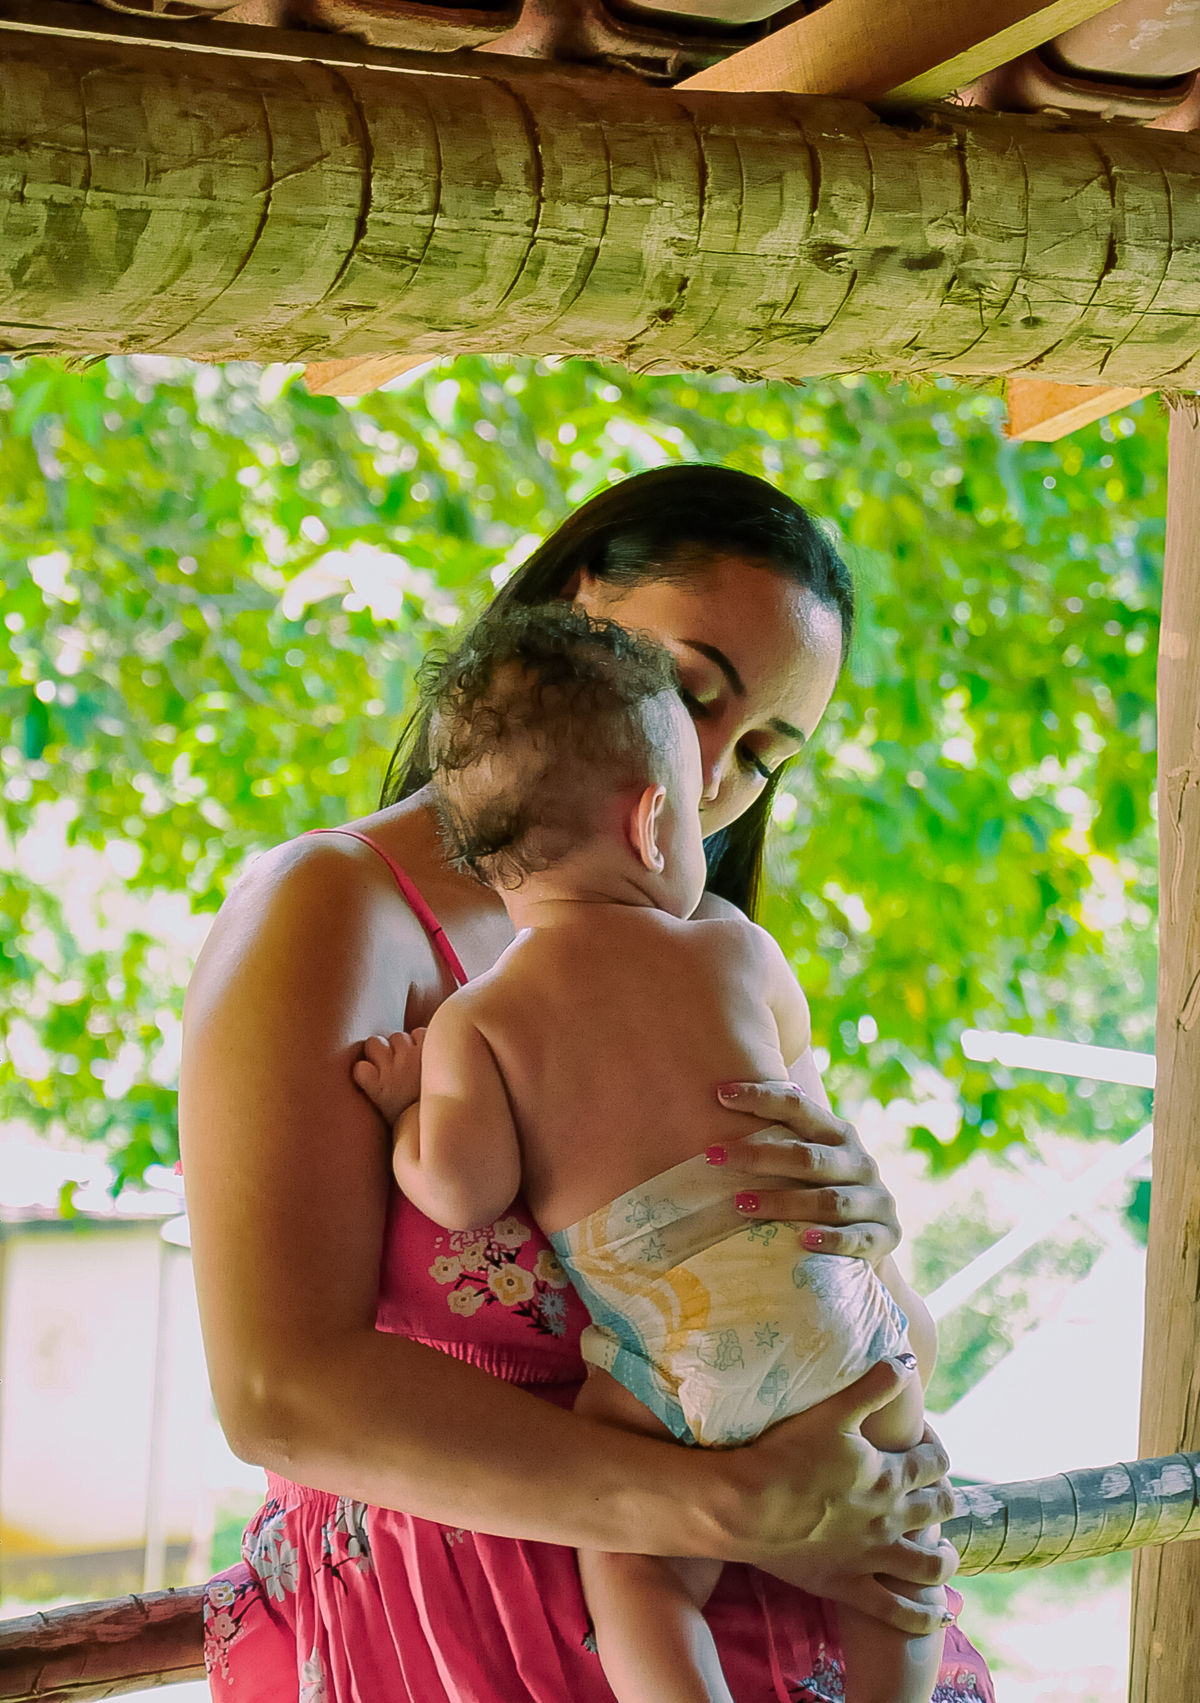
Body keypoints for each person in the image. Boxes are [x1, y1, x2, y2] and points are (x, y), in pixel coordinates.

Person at [182, 465, 993, 1703]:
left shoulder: (715, 955)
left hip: (796, 1603)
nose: (710, 772)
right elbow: (279, 1394)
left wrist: (864, 1235)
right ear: (570, 613)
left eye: (763, 753)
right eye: (691, 689)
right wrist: (725, 1503)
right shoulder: (333, 908)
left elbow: (900, 1346)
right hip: (472, 1640)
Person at [353, 604, 947, 1703]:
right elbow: (796, 1096)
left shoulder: (484, 1019)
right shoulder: (738, 949)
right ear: (652, 821)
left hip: (681, 1351)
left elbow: (464, 1190)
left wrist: (406, 1109)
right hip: (841, 1325)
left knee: (639, 1571)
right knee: (901, 1547)